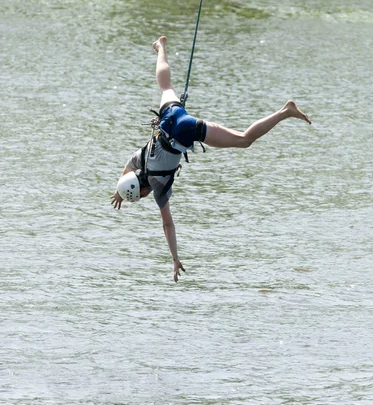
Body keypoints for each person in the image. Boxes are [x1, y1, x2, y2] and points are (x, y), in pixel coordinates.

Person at [111, 36, 311, 282]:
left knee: (243, 140)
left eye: (140, 196)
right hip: (170, 117)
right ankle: (161, 46)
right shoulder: (139, 160)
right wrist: (119, 191)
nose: (145, 197)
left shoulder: (158, 188)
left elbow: (168, 227)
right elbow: (128, 169)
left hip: (185, 130)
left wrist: (174, 259)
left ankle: (285, 112)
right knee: (165, 87)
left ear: (142, 191)